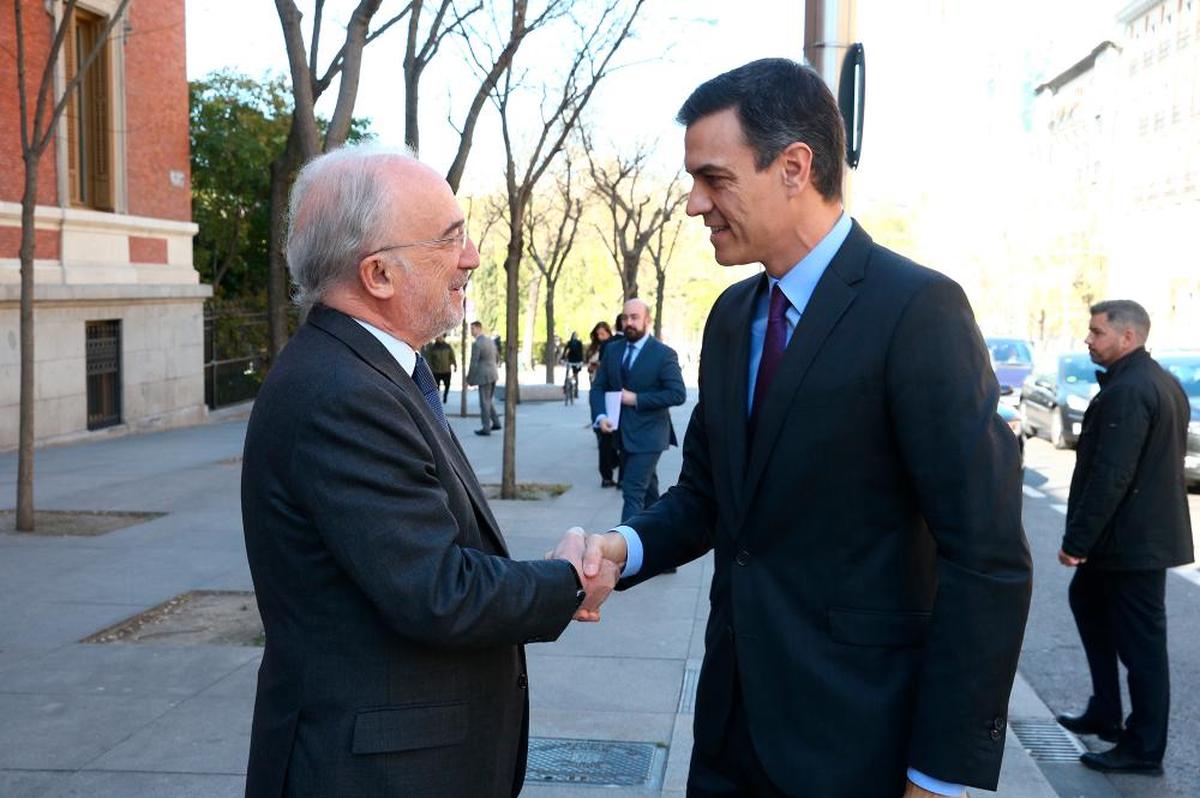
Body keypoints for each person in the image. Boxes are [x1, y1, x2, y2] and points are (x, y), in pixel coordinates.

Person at [574, 59, 1031, 797]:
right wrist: (620, 547)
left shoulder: (918, 311)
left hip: (859, 750)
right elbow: (705, 500)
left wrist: (941, 775)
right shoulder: (729, 319)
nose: (694, 204)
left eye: (713, 179)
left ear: (794, 167)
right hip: (730, 737)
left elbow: (986, 560)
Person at [240, 145, 617, 798]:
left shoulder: (370, 369)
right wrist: (568, 582)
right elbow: (436, 591)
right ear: (380, 273)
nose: (471, 257)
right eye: (450, 240)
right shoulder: (342, 392)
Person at [1055, 300, 1193, 775]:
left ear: (1128, 337)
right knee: (1087, 603)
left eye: (1097, 332)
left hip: (1131, 544)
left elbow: (1111, 475)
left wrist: (1077, 541)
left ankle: (1143, 748)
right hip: (1132, 539)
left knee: (1142, 649)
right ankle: (1105, 711)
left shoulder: (1130, 391)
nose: (1088, 340)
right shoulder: (1156, 381)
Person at [589, 298, 686, 522]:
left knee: (632, 489)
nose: (629, 323)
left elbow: (677, 394)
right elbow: (599, 387)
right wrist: (601, 415)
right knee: (649, 492)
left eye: (634, 317)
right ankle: (660, 537)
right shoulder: (612, 350)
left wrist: (637, 399)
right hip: (621, 434)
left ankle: (623, 552)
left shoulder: (663, 354)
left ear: (647, 321)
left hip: (650, 436)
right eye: (625, 318)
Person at [585, 322, 619, 487]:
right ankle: (608, 473)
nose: (600, 337)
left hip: (608, 391)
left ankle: (609, 469)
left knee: (606, 436)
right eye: (598, 334)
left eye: (603, 334)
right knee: (603, 433)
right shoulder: (595, 348)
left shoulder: (611, 346)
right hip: (597, 389)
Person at [467, 320, 501, 436]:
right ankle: (496, 422)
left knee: (484, 402)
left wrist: (469, 379)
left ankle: (486, 428)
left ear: (478, 328)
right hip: (493, 374)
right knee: (488, 400)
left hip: (484, 376)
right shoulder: (490, 341)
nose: (471, 331)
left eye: (472, 329)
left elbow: (474, 363)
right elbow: (497, 357)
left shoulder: (477, 344)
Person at [422, 333, 456, 402]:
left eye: (440, 336)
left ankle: (445, 396)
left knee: (447, 385)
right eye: (437, 336)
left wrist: (455, 365)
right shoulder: (433, 347)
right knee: (437, 387)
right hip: (436, 371)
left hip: (446, 370)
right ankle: (438, 399)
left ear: (443, 337)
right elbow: (430, 359)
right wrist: (431, 368)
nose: (438, 337)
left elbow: (452, 357)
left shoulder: (447, 346)